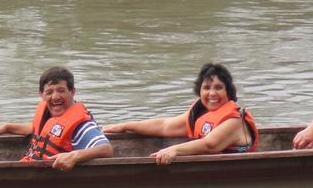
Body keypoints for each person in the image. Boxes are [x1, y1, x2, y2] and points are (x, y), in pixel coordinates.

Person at [104, 62, 259, 165]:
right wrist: (125, 126)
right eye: (206, 88)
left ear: (228, 91)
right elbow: (164, 126)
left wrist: (174, 150)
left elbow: (210, 145)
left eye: (219, 88)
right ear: (200, 90)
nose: (212, 93)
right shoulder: (200, 114)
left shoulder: (235, 120)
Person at [0, 67, 113, 171]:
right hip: (30, 166)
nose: (55, 97)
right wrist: (8, 127)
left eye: (61, 90)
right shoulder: (51, 114)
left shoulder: (81, 126)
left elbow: (106, 149)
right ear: (41, 94)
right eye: (49, 92)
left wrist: (74, 156)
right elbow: (40, 131)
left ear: (72, 92)